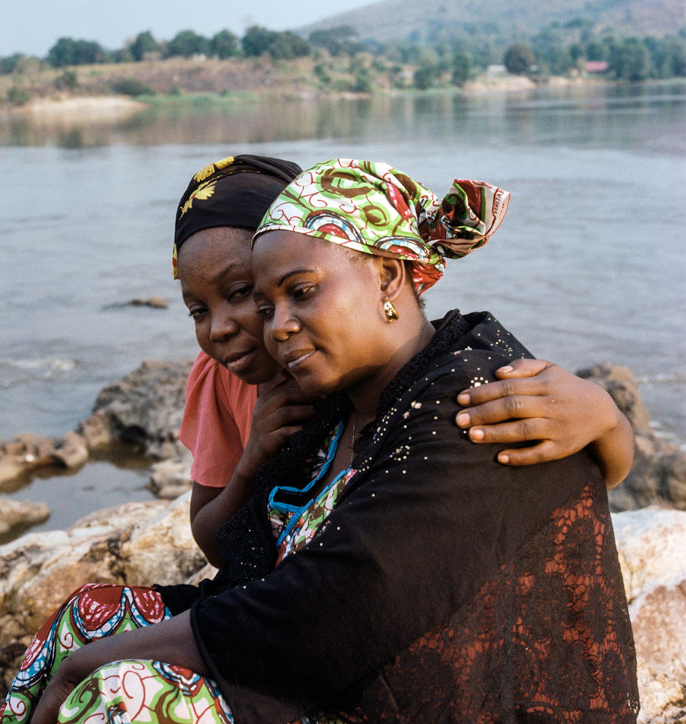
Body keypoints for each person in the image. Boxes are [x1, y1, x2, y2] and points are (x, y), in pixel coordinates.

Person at [0, 158, 640, 724]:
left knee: (125, 698)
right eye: (267, 304)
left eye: (300, 292)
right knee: (89, 619)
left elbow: (342, 599)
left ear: (387, 274)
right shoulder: (333, 402)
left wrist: (611, 421)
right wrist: (95, 645)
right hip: (342, 665)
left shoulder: (478, 403)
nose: (276, 326)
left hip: (444, 712)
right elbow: (242, 556)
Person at [172, 155, 633, 566]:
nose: (221, 328)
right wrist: (251, 461)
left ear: (385, 277)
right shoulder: (231, 378)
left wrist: (607, 419)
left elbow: (557, 474)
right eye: (197, 311)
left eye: (243, 294)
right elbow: (229, 549)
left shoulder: (431, 389)